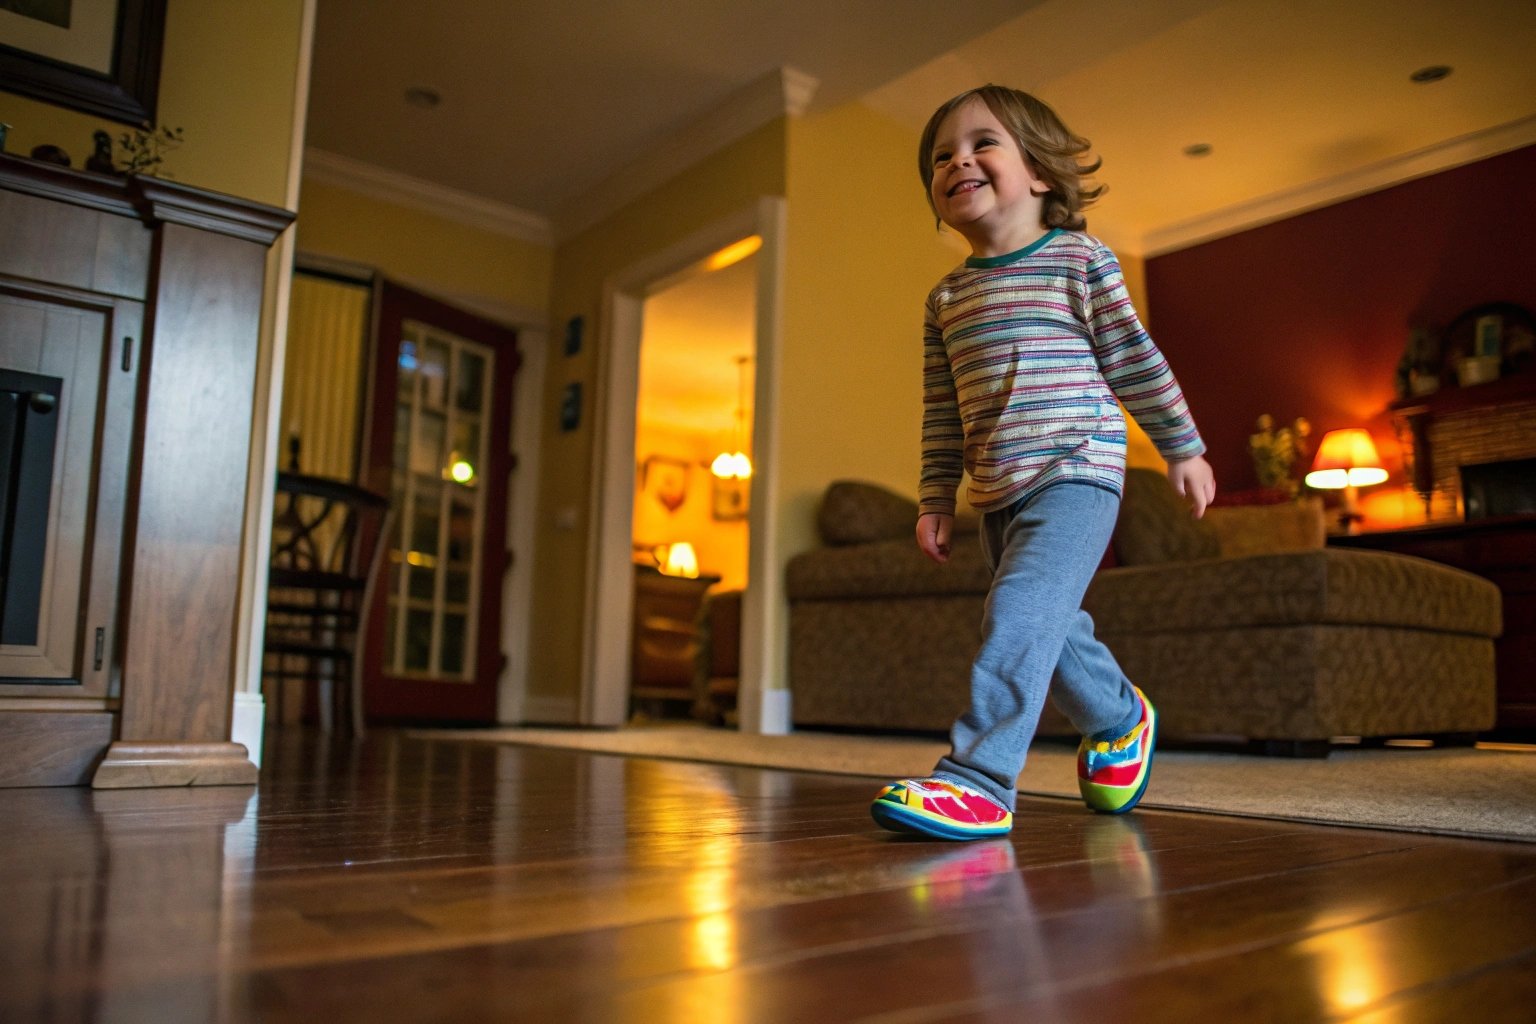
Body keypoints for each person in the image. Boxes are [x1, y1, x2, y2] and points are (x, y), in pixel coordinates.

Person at [870, 85, 1216, 841]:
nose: (959, 159)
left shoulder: (1079, 258)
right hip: (997, 488)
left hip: (1078, 467)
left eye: (982, 142)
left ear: (1041, 173)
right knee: (1047, 626)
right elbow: (943, 409)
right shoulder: (946, 300)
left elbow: (1134, 358)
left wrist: (1181, 443)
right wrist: (935, 498)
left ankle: (979, 779)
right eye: (941, 155)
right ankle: (1121, 717)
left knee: (1019, 611)